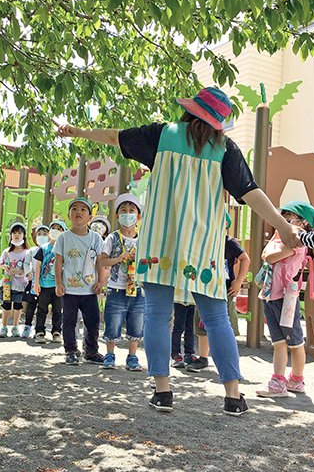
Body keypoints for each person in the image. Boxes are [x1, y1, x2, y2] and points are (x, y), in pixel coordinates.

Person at [54, 86, 301, 415]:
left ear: (189, 111)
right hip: (204, 247)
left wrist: (79, 131)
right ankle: (232, 396)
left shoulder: (163, 135)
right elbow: (249, 191)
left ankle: (163, 392)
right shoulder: (224, 148)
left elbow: (116, 137)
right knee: (216, 319)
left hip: (160, 243)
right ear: (217, 122)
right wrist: (283, 227)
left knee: (157, 315)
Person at [256, 201, 314, 398]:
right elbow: (265, 254)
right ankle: (280, 380)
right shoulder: (283, 239)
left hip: (286, 299)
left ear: (304, 224)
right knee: (278, 341)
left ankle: (295, 379)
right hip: (271, 295)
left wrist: (275, 238)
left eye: (290, 218)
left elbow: (269, 256)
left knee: (295, 342)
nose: (284, 221)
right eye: (284, 217)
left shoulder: (296, 244)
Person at [188, 212, 251, 372]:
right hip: (204, 288)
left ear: (225, 225)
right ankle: (203, 357)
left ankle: (229, 358)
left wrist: (238, 281)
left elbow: (246, 259)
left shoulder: (229, 243)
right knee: (201, 324)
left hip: (225, 289)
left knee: (226, 322)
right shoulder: (202, 242)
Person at [54, 198, 105, 365]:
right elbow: (59, 262)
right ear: (69, 215)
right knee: (69, 321)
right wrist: (59, 283)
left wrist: (101, 281)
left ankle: (91, 351)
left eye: (83, 210)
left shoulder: (96, 238)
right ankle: (70, 350)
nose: (78, 212)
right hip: (69, 290)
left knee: (93, 320)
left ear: (90, 217)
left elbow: (99, 262)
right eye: (74, 209)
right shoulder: (63, 238)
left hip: (90, 289)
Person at [100, 193, 145, 371]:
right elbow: (103, 261)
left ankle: (132, 357)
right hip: (116, 288)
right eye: (123, 211)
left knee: (136, 323)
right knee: (113, 322)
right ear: (117, 216)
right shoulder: (112, 238)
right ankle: (109, 355)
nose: (128, 214)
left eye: (132, 211)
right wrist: (120, 258)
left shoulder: (143, 238)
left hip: (138, 289)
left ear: (138, 216)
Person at [33, 220, 67, 343]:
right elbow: (38, 266)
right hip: (44, 285)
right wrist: (36, 282)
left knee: (58, 310)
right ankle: (39, 332)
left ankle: (57, 332)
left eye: (59, 228)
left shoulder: (64, 249)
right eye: (53, 227)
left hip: (58, 285)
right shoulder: (43, 248)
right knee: (42, 309)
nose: (55, 230)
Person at [0, 222, 29, 338]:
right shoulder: (7, 251)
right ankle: (4, 327)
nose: (17, 235)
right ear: (10, 235)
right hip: (7, 283)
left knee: (18, 305)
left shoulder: (27, 252)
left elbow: (28, 267)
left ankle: (15, 327)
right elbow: (0, 263)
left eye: (19, 232)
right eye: (14, 232)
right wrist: (5, 267)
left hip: (20, 284)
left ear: (24, 235)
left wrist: (20, 272)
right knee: (6, 305)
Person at [22, 224, 49, 339]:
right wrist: (28, 273)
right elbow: (26, 263)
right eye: (39, 234)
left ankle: (39, 328)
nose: (42, 236)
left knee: (42, 307)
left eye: (44, 234)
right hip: (33, 282)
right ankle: (27, 326)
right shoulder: (32, 250)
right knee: (31, 306)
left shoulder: (50, 249)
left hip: (46, 283)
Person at [171, 303, 196, 369]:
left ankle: (189, 353)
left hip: (192, 300)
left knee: (190, 328)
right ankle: (175, 354)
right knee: (179, 327)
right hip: (180, 299)